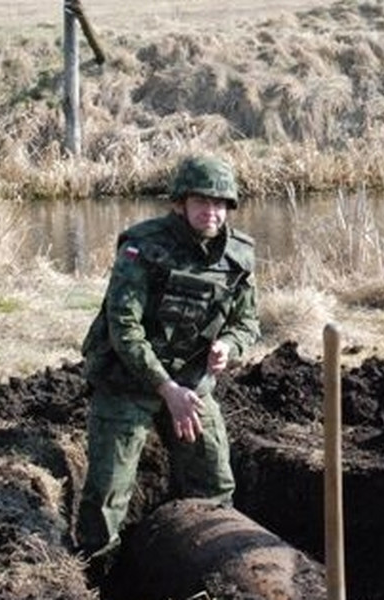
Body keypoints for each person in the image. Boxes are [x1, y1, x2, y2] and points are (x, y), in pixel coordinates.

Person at [75, 154, 260, 558]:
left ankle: (212, 568)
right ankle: (97, 574)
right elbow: (124, 329)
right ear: (180, 203)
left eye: (220, 203)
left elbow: (248, 323)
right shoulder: (143, 246)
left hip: (192, 384)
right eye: (201, 202)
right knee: (107, 494)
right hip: (127, 382)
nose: (211, 212)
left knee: (215, 484)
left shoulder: (240, 257)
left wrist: (229, 345)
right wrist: (165, 388)